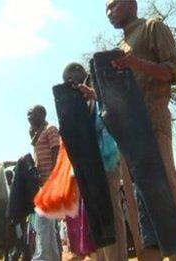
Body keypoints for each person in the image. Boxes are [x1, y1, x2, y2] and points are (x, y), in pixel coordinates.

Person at [79, 1, 176, 260]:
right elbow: (117, 100)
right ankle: (149, 255)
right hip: (128, 135)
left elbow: (174, 70)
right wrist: (94, 95)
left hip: (153, 124)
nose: (110, 13)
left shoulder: (153, 28)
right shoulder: (119, 50)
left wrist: (136, 63)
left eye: (113, 5)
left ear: (132, 4)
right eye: (106, 10)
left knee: (165, 189)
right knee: (136, 202)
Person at [64, 63, 127, 261]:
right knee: (98, 213)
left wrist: (92, 95)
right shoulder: (85, 97)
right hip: (94, 162)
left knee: (110, 210)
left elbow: (116, 107)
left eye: (69, 82)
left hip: (109, 158)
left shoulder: (97, 83)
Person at [27, 105, 61, 261]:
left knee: (42, 226)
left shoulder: (50, 129)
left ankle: (40, 258)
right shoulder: (39, 133)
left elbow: (56, 150)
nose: (28, 116)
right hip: (44, 185)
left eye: (31, 113)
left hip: (49, 183)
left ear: (41, 114)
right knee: (49, 229)